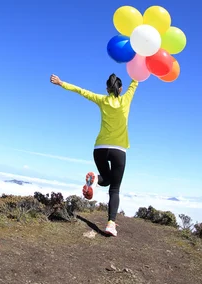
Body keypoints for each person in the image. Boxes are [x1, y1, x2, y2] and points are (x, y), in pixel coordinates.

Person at [49, 73, 138, 237]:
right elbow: (136, 80)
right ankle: (111, 224)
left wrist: (62, 83)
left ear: (107, 89)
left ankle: (96, 180)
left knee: (106, 178)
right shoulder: (126, 99)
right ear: (121, 89)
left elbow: (82, 91)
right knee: (115, 189)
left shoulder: (102, 100)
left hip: (100, 149)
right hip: (119, 151)